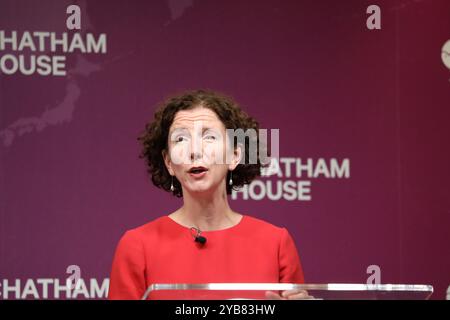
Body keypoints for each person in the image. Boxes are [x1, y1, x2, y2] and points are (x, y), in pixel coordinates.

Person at [108, 89, 307, 300]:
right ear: (169, 163)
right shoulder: (137, 245)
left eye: (209, 137)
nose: (194, 151)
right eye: (181, 139)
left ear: (235, 155)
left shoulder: (275, 242)